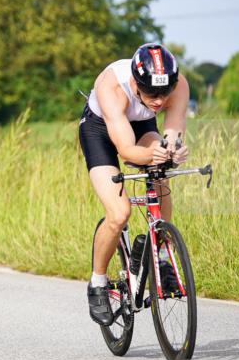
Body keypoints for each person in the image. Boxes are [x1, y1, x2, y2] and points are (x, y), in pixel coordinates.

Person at [80, 43, 189, 326]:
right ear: (135, 82)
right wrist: (150, 154)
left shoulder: (177, 86)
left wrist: (172, 151)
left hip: (141, 126)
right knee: (119, 213)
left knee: (162, 167)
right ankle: (98, 283)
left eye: (164, 94)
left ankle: (161, 252)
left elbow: (172, 132)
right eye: (152, 94)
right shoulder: (112, 87)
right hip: (101, 129)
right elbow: (127, 151)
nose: (158, 101)